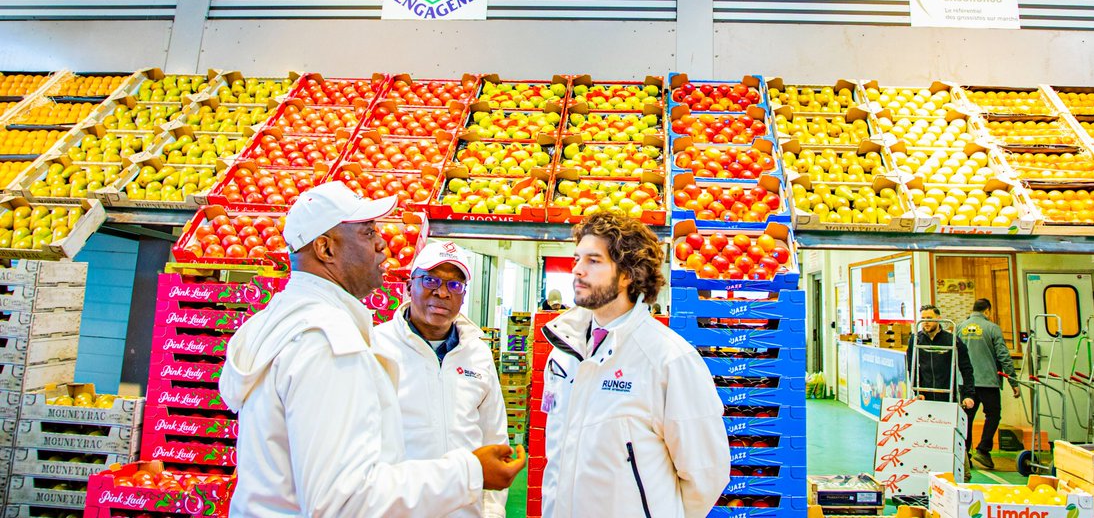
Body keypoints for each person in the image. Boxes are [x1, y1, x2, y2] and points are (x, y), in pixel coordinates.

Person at [218, 182, 525, 517]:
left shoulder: (287, 324)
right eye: (367, 233)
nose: (382, 244)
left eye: (454, 284)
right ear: (325, 248)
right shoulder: (327, 343)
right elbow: (341, 502)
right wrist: (469, 472)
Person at [540, 211, 730, 518]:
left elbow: (706, 473)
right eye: (577, 259)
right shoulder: (563, 350)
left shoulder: (669, 359)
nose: (577, 270)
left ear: (628, 273)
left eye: (593, 260)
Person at [374, 240, 509, 518]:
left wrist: (492, 511)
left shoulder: (478, 353)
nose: (442, 292)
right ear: (409, 286)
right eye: (430, 280)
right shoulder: (376, 347)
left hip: (465, 511)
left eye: (455, 285)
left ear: (463, 295)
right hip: (397, 509)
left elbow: (494, 437)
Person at [958, 298, 1019, 470]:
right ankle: (983, 450)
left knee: (966, 418)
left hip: (966, 383)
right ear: (987, 311)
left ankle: (964, 455)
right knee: (993, 414)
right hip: (988, 381)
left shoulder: (959, 327)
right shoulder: (992, 328)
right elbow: (1003, 355)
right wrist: (1013, 380)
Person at [906, 304, 976, 410]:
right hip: (925, 396)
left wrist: (968, 395)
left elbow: (966, 369)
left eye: (929, 318)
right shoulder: (916, 340)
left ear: (938, 319)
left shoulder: (952, 340)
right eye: (923, 319)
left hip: (947, 395)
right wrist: (917, 392)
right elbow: (912, 367)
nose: (925, 322)